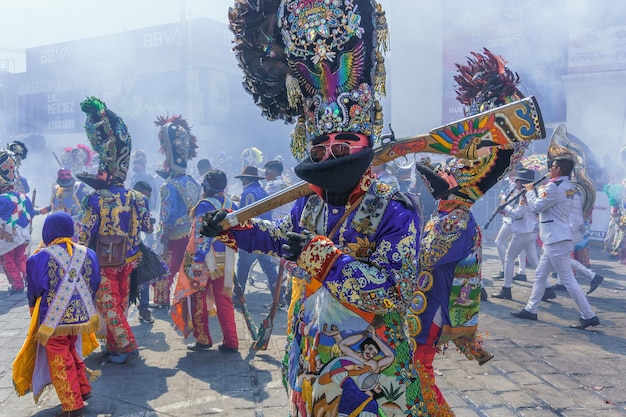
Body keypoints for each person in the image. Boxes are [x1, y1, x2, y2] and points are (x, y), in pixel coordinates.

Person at [220, 1, 445, 414]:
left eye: (343, 146)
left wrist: (320, 256)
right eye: (321, 147)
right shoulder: (308, 202)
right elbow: (281, 239)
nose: (329, 154)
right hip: (308, 352)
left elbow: (391, 290)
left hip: (367, 368)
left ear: (367, 147)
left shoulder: (395, 209)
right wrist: (232, 228)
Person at [77, 97, 152, 364]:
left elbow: (84, 234)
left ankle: (127, 345)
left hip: (106, 260)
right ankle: (113, 345)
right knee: (119, 302)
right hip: (130, 258)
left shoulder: (94, 200)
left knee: (108, 304)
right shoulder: (137, 197)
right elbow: (147, 226)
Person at [24, 212, 101, 417]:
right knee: (71, 350)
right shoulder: (88, 253)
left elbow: (35, 289)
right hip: (81, 317)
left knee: (59, 357)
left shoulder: (40, 257)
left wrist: (33, 308)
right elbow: (95, 282)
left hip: (53, 319)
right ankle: (82, 388)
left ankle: (72, 404)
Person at [511, 156, 601, 329]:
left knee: (568, 280)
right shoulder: (570, 187)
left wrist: (530, 191)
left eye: (552, 166)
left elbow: (537, 207)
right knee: (539, 275)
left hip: (555, 238)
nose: (549, 169)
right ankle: (531, 309)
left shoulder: (553, 186)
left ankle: (588, 315)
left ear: (558, 169)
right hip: (559, 236)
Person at [171, 169, 239, 352]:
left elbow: (201, 235)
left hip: (207, 259)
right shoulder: (231, 202)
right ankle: (231, 341)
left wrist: (198, 261)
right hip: (226, 257)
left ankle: (203, 338)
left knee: (198, 296)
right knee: (224, 299)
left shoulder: (204, 205)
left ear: (207, 186)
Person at [153, 115, 201, 308]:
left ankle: (161, 299)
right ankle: (189, 295)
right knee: (188, 267)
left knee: (166, 269)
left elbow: (168, 214)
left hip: (174, 235)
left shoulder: (168, 186)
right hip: (191, 232)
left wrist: (163, 237)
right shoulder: (193, 182)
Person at [492, 169, 540, 300]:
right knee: (534, 261)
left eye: (518, 180)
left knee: (508, 259)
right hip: (529, 231)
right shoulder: (527, 193)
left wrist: (505, 206)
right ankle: (547, 288)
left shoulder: (525, 195)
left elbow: (518, 213)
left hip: (523, 232)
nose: (516, 182)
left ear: (522, 182)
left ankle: (506, 288)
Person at [233, 165, 280, 299]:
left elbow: (245, 215)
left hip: (251, 234)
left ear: (246, 180)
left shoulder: (248, 193)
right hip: (264, 233)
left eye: (243, 179)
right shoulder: (262, 191)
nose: (242, 182)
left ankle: (238, 297)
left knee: (243, 266)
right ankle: (278, 295)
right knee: (269, 267)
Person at [0, 149, 34, 293]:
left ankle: (17, 285)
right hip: (24, 236)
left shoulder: (2, 199)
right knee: (21, 259)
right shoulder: (23, 196)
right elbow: (31, 213)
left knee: (9, 262)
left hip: (8, 238)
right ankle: (29, 280)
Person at [35, 169, 83, 241]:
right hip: (57, 224)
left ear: (71, 175)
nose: (65, 177)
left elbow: (86, 204)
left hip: (73, 224)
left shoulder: (78, 186)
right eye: (62, 175)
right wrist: (41, 211)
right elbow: (54, 205)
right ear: (58, 176)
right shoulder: (56, 188)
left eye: (67, 174)